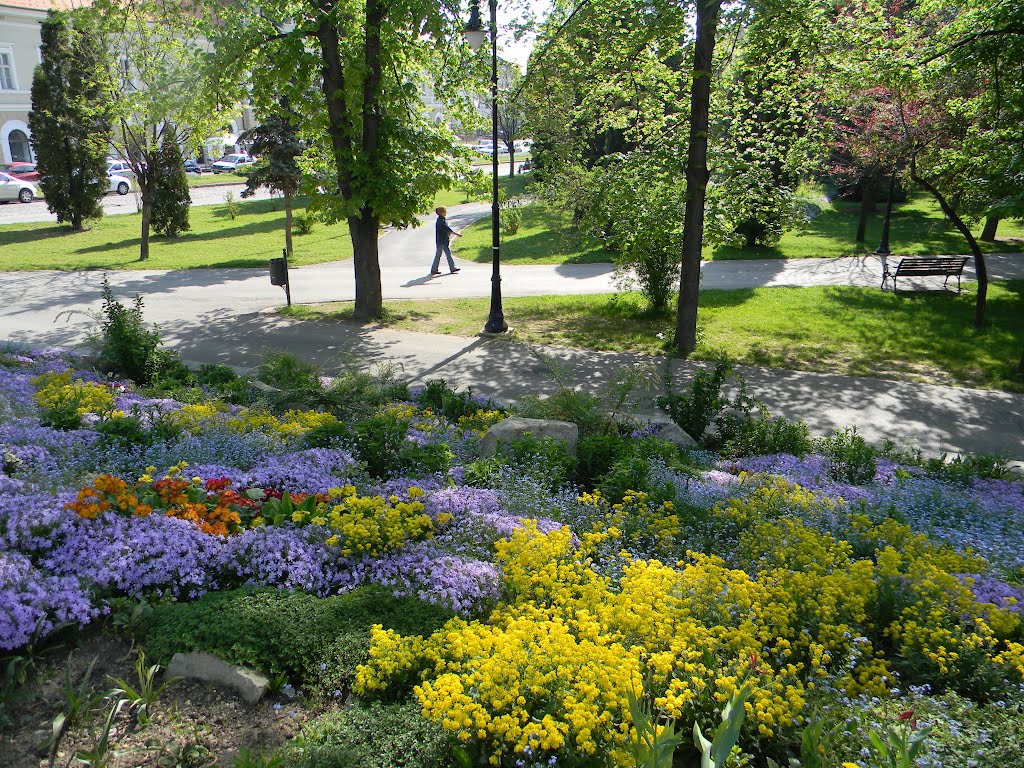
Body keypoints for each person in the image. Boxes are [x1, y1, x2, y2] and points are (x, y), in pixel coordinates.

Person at [431, 206, 461, 275]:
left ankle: (435, 269)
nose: (446, 212)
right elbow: (446, 229)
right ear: (441, 212)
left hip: (443, 240)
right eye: (445, 211)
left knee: (444, 254)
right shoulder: (440, 221)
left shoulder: (442, 219)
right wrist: (456, 234)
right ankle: (435, 269)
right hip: (441, 241)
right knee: (441, 254)